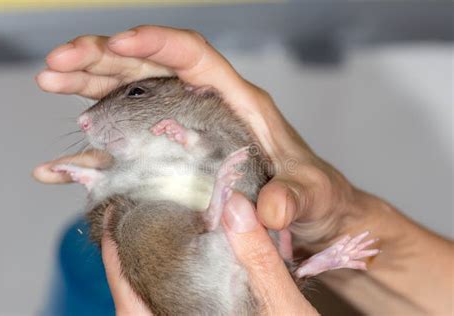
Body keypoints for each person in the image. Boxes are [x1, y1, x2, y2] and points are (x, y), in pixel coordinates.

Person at [33, 25, 453, 315]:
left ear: (195, 94)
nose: (85, 121)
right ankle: (312, 258)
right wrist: (344, 218)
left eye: (138, 94)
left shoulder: (202, 123)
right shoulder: (174, 153)